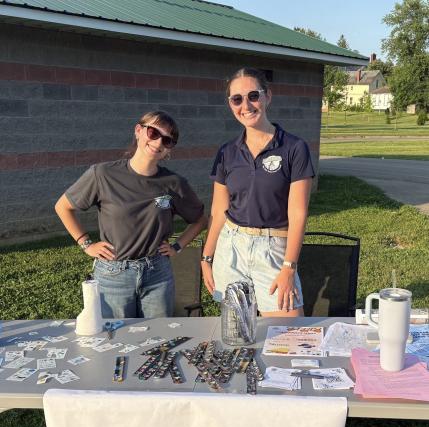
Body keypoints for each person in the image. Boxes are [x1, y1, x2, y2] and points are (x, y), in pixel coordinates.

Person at [55, 110, 207, 318]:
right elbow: (63, 207)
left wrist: (177, 246)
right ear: (138, 131)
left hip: (157, 274)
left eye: (167, 140)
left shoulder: (174, 183)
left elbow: (200, 220)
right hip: (112, 275)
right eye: (153, 133)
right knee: (115, 339)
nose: (158, 142)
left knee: (158, 341)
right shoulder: (102, 174)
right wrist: (86, 244)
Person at [201, 68, 314, 317]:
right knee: (238, 335)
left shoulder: (294, 148)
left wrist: (288, 267)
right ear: (230, 104)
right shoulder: (227, 152)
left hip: (274, 250)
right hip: (231, 248)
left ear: (268, 97)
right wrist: (206, 257)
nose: (246, 105)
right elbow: (218, 211)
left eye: (253, 95)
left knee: (287, 335)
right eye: (237, 99)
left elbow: (298, 214)